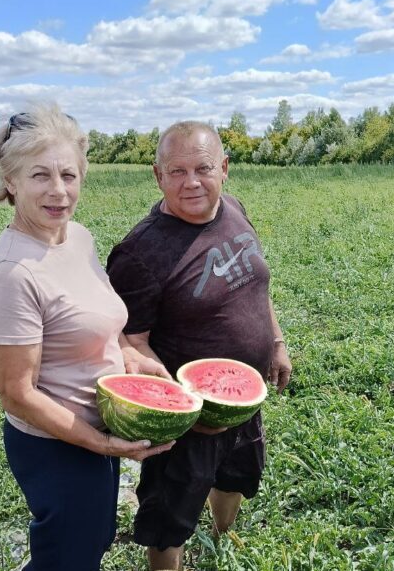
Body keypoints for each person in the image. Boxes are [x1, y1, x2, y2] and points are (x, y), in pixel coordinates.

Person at [0, 103, 173, 571]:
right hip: (53, 444)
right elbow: (17, 394)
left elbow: (98, 314)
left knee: (94, 536)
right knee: (68, 555)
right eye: (40, 175)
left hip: (98, 425)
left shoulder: (76, 237)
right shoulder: (11, 273)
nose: (59, 191)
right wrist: (100, 445)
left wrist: (127, 351)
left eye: (69, 174)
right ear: (10, 180)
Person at [106, 121, 292, 570]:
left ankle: (219, 541)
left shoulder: (233, 209)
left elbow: (255, 287)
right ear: (157, 176)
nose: (191, 182)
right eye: (177, 171)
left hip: (245, 399)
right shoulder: (139, 254)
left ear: (224, 168)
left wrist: (277, 341)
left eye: (203, 168)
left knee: (235, 480)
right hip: (189, 425)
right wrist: (185, 407)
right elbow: (129, 341)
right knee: (169, 520)